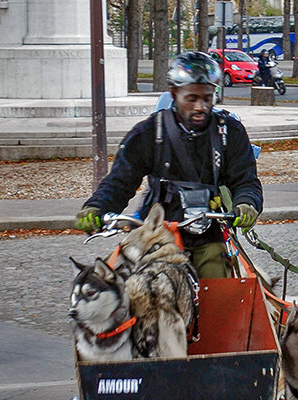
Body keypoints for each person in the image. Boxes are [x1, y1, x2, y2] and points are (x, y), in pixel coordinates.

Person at [75, 51, 263, 278]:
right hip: (156, 232)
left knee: (218, 292)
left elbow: (245, 179)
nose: (200, 107)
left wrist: (246, 203)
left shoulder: (229, 132)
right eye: (191, 98)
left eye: (207, 98)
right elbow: (120, 181)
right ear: (174, 94)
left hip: (209, 231)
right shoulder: (149, 133)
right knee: (126, 290)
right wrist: (97, 207)